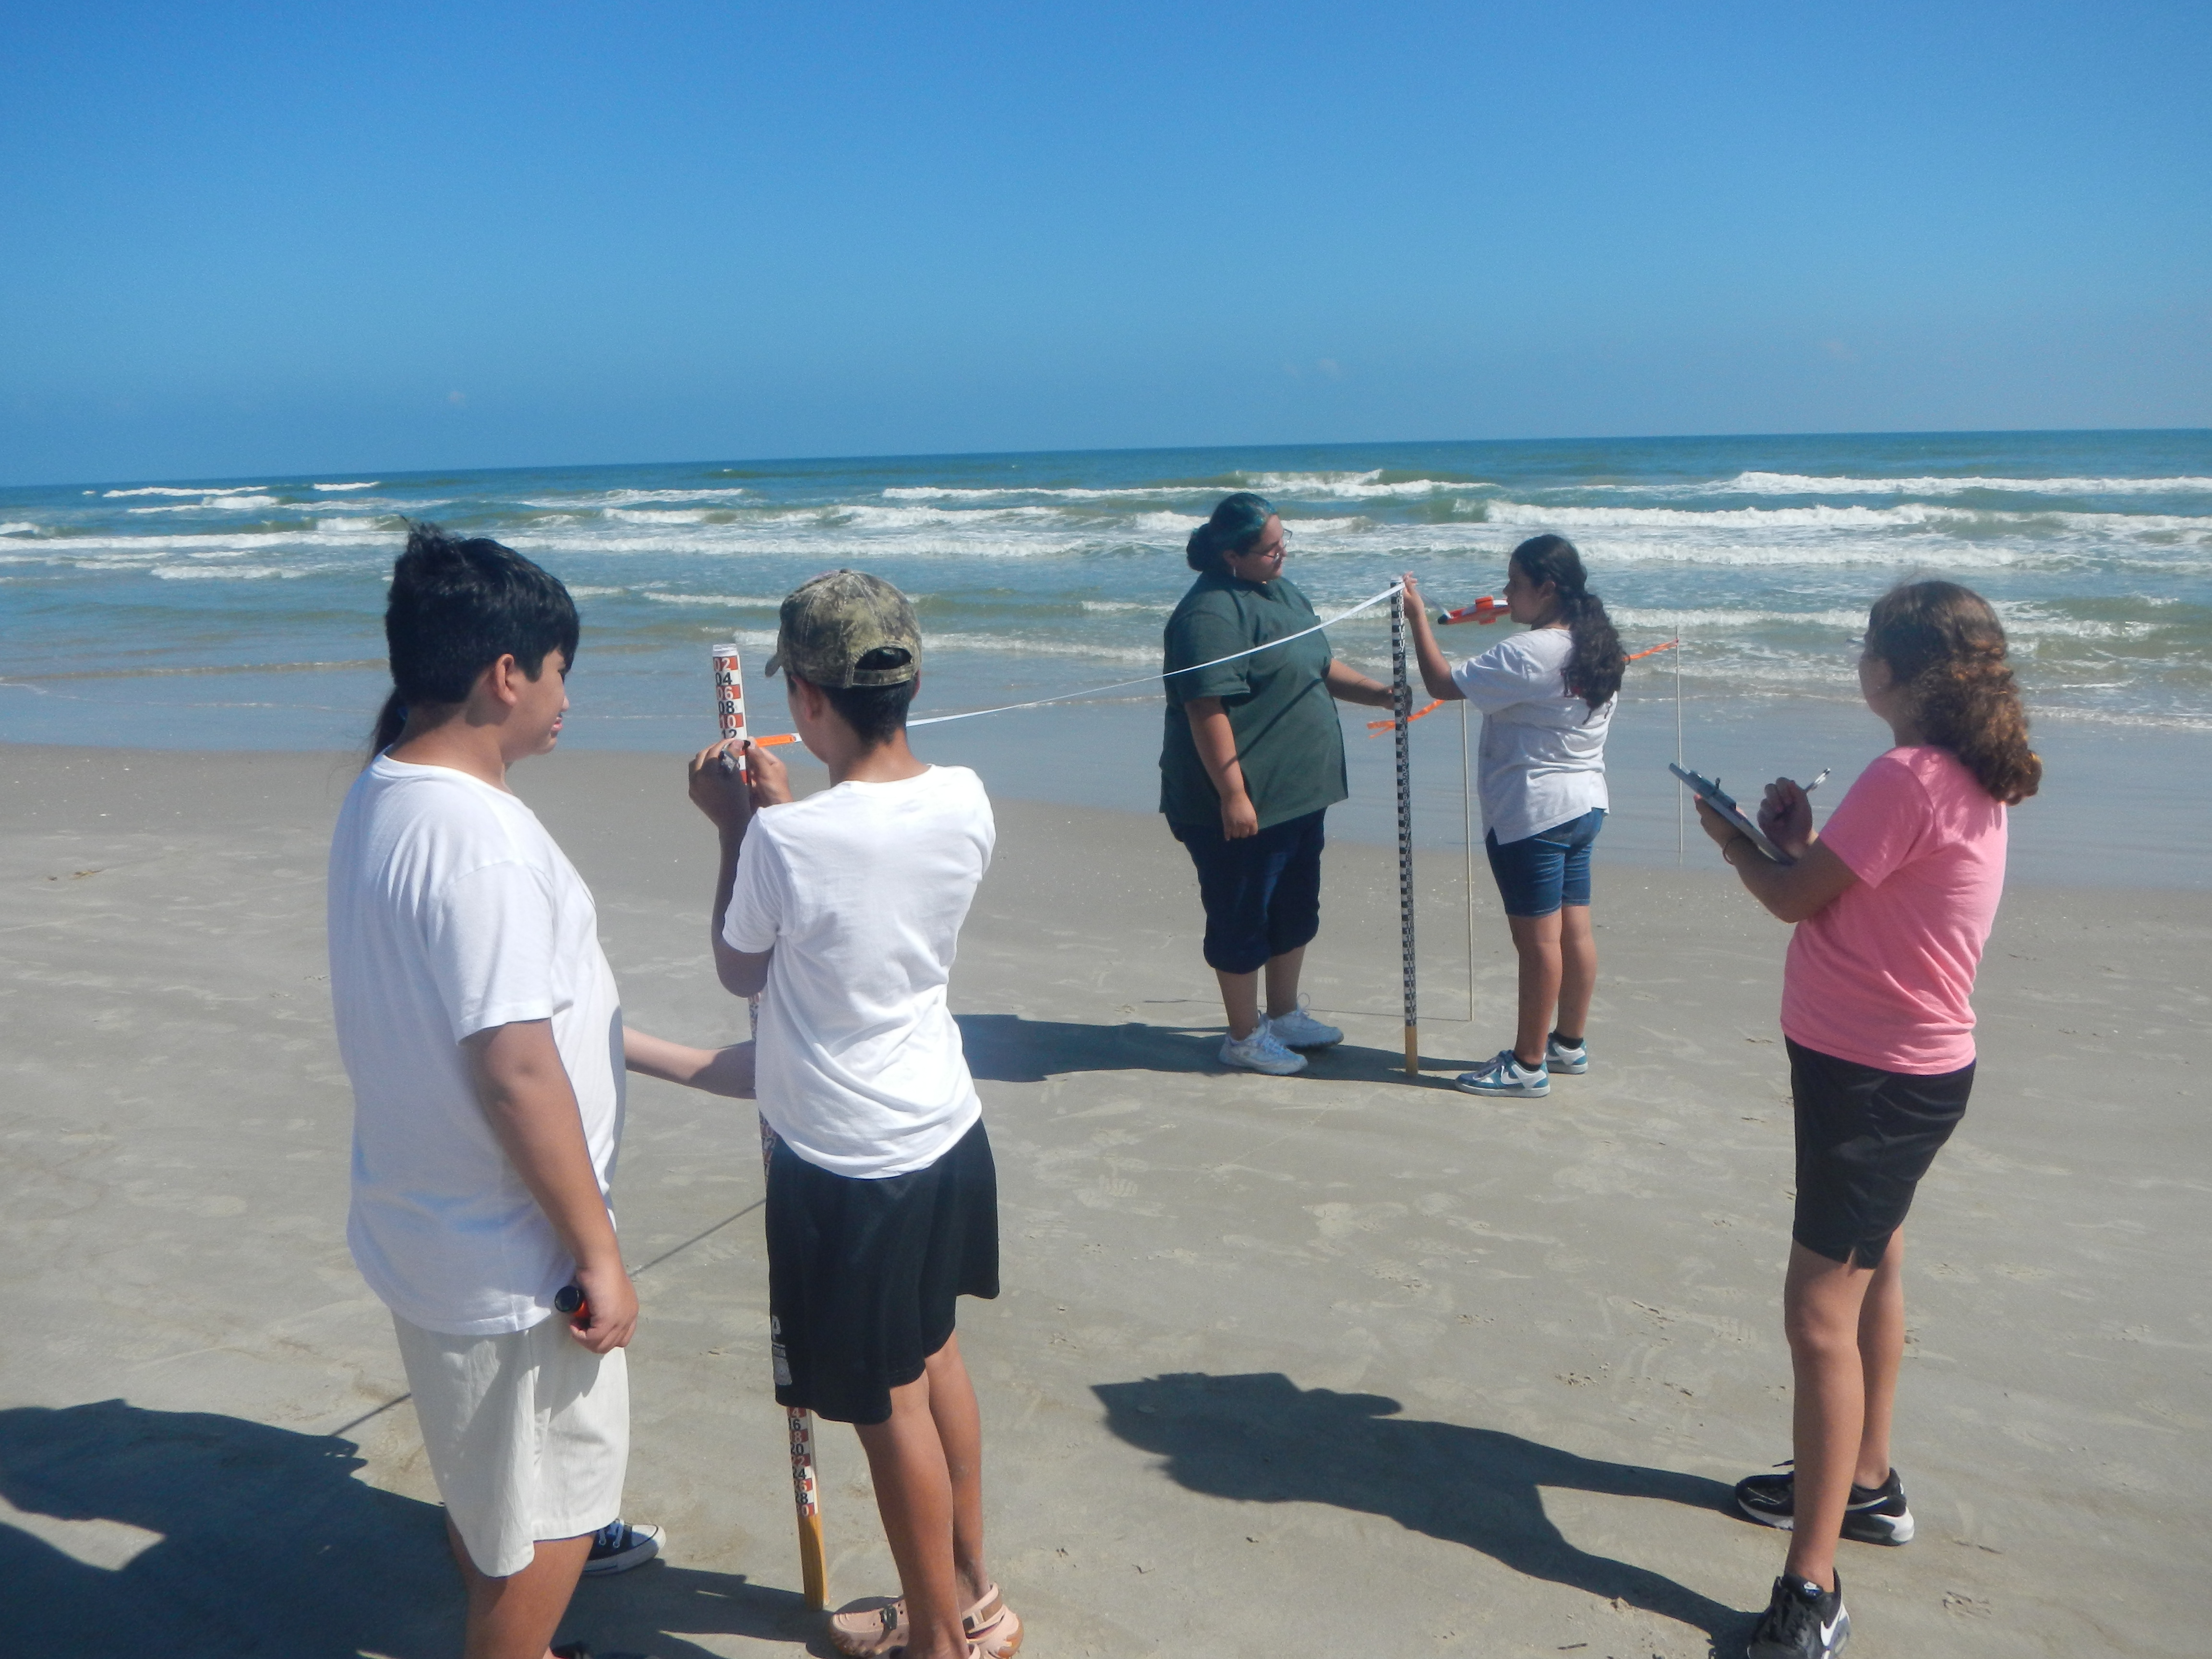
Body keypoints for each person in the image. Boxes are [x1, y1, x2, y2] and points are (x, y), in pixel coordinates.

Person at [331, 524, 753, 1659]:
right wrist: (597, 1250)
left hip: (426, 1220)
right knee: (557, 1507)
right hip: (511, 1251)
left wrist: (698, 1066)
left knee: (492, 1486)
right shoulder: (482, 843)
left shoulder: (387, 793)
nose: (568, 695)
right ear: (504, 672)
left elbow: (535, 1021)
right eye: (561, 668)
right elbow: (516, 1067)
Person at [1694, 580, 2039, 1659]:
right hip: (1896, 1066)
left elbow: (1796, 903)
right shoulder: (1955, 774)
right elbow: (1846, 889)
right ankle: (1867, 1482)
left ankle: (1814, 1583)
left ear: (1896, 672)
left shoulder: (1906, 775)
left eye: (1865, 648)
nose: (1857, 659)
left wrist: (1735, 844)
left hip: (1876, 1077)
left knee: (1816, 1315)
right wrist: (1792, 840)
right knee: (1874, 1262)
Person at [686, 570, 1016, 1659]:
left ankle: (934, 1640)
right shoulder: (965, 796)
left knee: (887, 1409)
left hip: (846, 1156)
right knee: (936, 1356)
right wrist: (779, 820)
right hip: (943, 1122)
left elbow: (744, 966)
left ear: (812, 701)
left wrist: (737, 826)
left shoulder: (789, 843)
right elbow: (857, 905)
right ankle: (974, 1591)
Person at [1160, 492, 1395, 1075]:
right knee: (1241, 912)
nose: (1281, 554)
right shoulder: (1209, 614)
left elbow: (1315, 664)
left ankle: (1284, 1014)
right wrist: (1234, 795)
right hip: (1240, 800)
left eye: (1283, 542)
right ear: (1232, 554)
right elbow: (1205, 708)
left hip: (1298, 793)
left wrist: (1379, 693)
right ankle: (1243, 1036)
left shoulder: (1282, 592)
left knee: (1294, 907)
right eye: (1268, 549)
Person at [1401, 535, 1625, 1098]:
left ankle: (1528, 1064)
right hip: (1584, 804)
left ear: (1547, 589)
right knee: (1574, 929)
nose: (1505, 592)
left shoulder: (1533, 653)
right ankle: (1567, 1043)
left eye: (1515, 583)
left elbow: (1440, 683)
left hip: (1535, 814)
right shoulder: (1594, 640)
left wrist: (1415, 619)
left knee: (1539, 943)